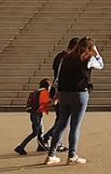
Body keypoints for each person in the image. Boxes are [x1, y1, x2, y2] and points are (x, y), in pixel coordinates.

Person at [44, 36, 103, 165]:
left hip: (64, 94)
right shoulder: (88, 59)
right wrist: (96, 52)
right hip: (80, 94)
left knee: (62, 124)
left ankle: (51, 155)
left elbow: (59, 77)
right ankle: (72, 156)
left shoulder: (66, 58)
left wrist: (57, 94)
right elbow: (100, 65)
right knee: (75, 126)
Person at [44, 37, 79, 154]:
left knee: (61, 119)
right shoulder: (67, 58)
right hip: (62, 89)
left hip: (57, 88)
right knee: (63, 120)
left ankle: (52, 140)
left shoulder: (59, 56)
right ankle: (49, 138)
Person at [15, 78, 52, 155]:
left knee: (40, 130)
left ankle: (40, 146)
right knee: (36, 132)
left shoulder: (36, 92)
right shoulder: (44, 93)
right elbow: (45, 103)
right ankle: (21, 146)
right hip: (37, 113)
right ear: (48, 86)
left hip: (34, 113)